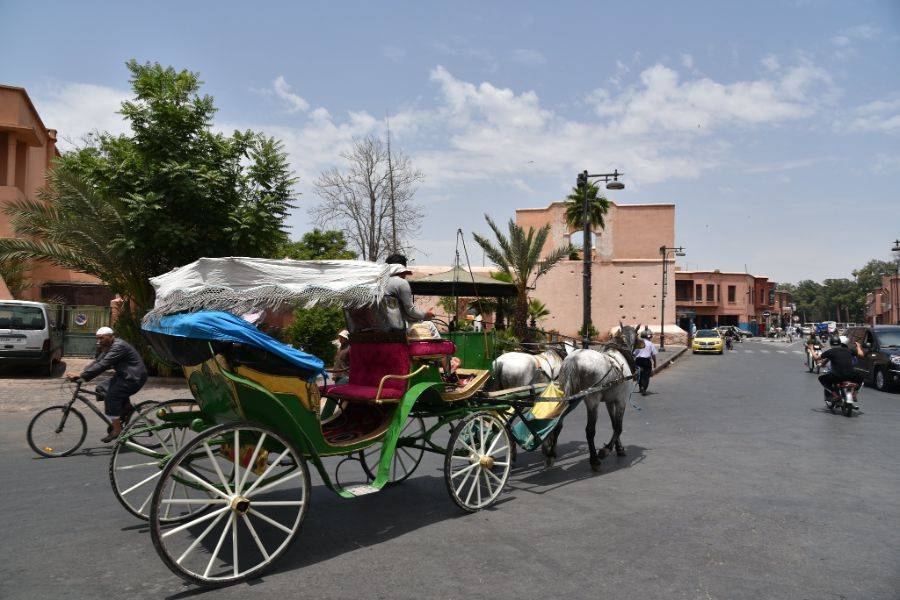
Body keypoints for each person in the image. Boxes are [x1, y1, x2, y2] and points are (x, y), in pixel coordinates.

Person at [65, 327, 148, 442]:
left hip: (134, 378)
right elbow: (98, 362)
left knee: (111, 397)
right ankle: (126, 408)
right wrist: (81, 373)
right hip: (123, 376)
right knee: (101, 388)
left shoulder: (118, 346)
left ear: (111, 336)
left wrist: (82, 376)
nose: (99, 341)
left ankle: (117, 429)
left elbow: (103, 364)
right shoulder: (109, 347)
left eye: (101, 338)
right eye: (98, 338)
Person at [382, 254, 435, 331]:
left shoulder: (379, 282)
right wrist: (426, 315)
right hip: (397, 327)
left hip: (380, 326)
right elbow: (410, 311)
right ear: (402, 268)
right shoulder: (401, 283)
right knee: (430, 325)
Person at [815, 335, 864, 400]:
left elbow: (816, 358)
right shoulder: (849, 350)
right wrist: (858, 346)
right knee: (861, 378)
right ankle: (854, 393)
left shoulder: (830, 352)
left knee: (821, 379)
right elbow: (861, 354)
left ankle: (835, 394)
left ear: (831, 344)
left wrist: (811, 349)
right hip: (851, 375)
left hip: (837, 376)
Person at [632, 330, 658, 396]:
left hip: (638, 360)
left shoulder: (639, 343)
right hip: (646, 361)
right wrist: (655, 363)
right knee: (646, 375)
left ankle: (641, 387)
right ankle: (644, 388)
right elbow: (653, 355)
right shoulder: (650, 344)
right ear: (648, 337)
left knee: (640, 374)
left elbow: (634, 354)